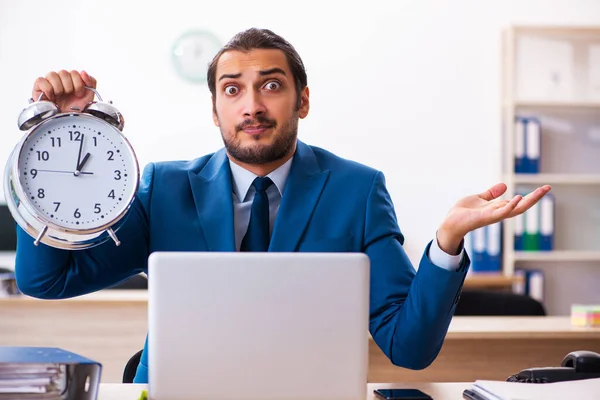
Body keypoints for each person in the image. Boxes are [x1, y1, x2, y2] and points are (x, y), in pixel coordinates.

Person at [14, 28, 551, 383]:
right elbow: (47, 281)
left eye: (271, 85)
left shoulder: (356, 191)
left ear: (303, 100)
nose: (252, 105)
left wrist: (448, 243)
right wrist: (58, 133)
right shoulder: (162, 188)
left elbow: (407, 347)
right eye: (232, 90)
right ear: (215, 108)